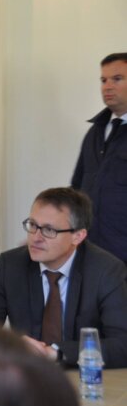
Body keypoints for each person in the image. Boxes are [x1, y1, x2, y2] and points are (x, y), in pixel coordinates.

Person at [0, 187, 127, 368]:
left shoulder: (106, 270)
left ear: (78, 236)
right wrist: (11, 346)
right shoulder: (11, 265)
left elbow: (122, 344)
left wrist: (55, 352)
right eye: (32, 225)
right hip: (27, 378)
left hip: (86, 378)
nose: (35, 238)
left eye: (49, 230)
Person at [71, 53, 127, 264]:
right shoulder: (96, 132)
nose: (108, 86)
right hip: (91, 255)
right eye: (103, 80)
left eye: (117, 79)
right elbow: (77, 190)